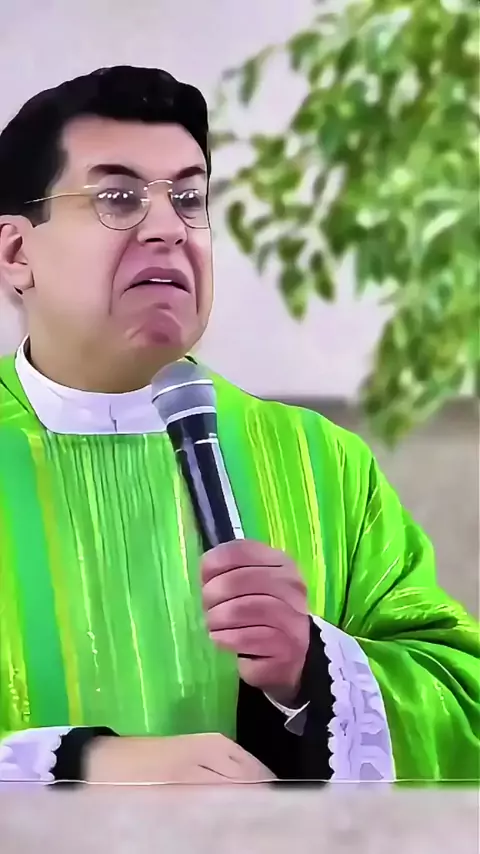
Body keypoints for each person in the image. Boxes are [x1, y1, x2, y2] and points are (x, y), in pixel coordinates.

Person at [0, 66, 478, 787]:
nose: (168, 228)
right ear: (16, 253)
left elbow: (460, 706)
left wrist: (313, 667)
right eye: (118, 198)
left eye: (189, 199)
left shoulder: (320, 464)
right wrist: (77, 766)